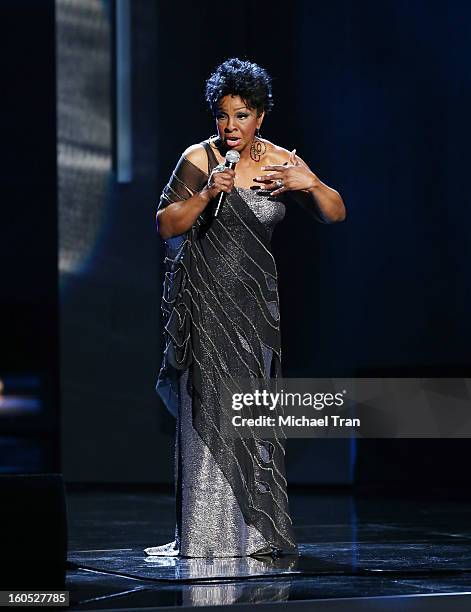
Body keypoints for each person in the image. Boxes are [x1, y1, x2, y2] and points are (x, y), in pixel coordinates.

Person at [144, 58, 346, 559]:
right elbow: (167, 225)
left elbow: (335, 213)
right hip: (208, 307)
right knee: (210, 411)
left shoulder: (281, 161)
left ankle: (254, 532)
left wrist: (310, 185)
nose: (230, 126)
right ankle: (205, 534)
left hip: (258, 311)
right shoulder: (199, 157)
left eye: (241, 115)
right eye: (222, 115)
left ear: (261, 115)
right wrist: (210, 191)